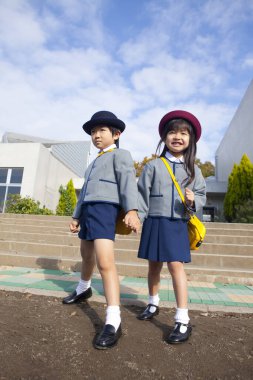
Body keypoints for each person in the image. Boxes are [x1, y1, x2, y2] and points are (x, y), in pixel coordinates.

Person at [62, 110, 140, 350]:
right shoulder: (93, 162)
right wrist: (76, 216)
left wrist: (132, 210)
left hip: (106, 210)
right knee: (86, 256)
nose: (96, 135)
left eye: (101, 130)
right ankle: (83, 289)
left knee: (105, 263)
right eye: (93, 131)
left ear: (116, 135)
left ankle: (113, 319)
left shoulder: (121, 155)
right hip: (87, 212)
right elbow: (84, 192)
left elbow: (128, 181)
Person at [137, 110, 206, 344]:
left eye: (184, 133)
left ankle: (182, 319)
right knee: (153, 266)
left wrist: (193, 200)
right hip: (154, 221)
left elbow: (201, 196)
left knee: (176, 267)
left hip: (177, 224)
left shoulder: (194, 170)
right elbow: (142, 195)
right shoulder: (153, 166)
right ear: (164, 137)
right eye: (173, 132)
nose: (178, 136)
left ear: (191, 140)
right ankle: (153, 302)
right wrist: (137, 216)